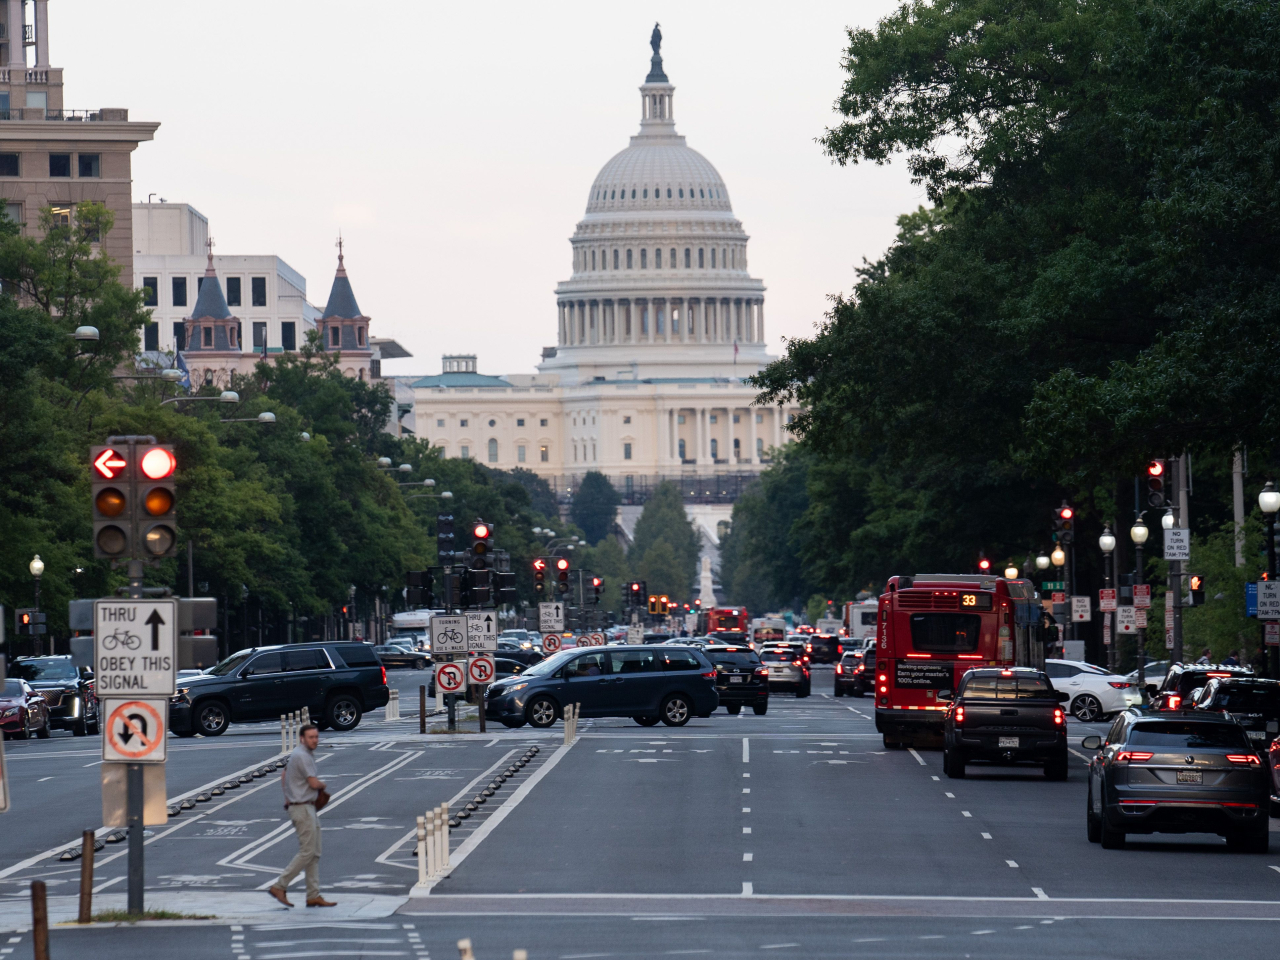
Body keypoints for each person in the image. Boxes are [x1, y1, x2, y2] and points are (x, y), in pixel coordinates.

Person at [269, 724, 335, 908]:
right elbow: (313, 783)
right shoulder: (303, 756)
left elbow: (284, 774)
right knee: (307, 852)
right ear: (302, 738)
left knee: (314, 853)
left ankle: (313, 895)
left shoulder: (300, 754)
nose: (315, 740)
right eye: (311, 737)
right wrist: (323, 785)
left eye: (316, 736)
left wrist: (287, 797)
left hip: (305, 806)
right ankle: (279, 886)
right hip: (302, 808)